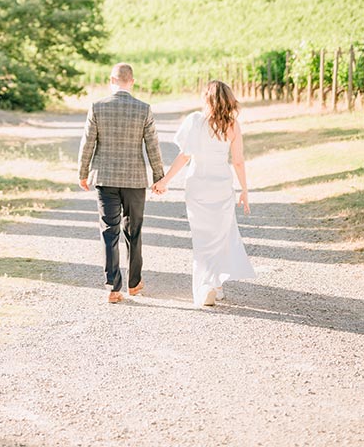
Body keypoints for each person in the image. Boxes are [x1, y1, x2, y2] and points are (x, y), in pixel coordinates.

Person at [155, 79, 255, 307]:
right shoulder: (233, 125)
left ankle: (206, 286)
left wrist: (165, 181)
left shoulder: (195, 121)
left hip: (198, 184)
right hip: (221, 185)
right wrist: (244, 190)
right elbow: (238, 161)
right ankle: (215, 285)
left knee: (202, 237)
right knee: (219, 235)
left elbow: (185, 156)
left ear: (206, 99)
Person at [78, 62, 165, 303]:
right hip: (135, 180)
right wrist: (159, 177)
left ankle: (113, 288)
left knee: (109, 231)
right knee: (134, 231)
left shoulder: (97, 107)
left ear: (111, 80)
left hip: (105, 179)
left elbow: (87, 144)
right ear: (132, 82)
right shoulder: (143, 109)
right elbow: (153, 147)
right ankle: (134, 283)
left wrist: (82, 172)